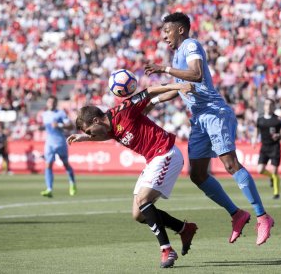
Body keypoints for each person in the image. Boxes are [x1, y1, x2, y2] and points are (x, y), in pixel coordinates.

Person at [145, 12, 274, 246]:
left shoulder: (191, 45)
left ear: (180, 30)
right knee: (197, 174)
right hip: (198, 119)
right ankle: (237, 214)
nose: (164, 36)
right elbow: (180, 87)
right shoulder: (177, 57)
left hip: (215, 113)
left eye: (167, 31)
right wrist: (152, 102)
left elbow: (196, 74)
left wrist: (163, 69)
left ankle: (262, 216)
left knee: (230, 164)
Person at [67, 83, 198, 268]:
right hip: (153, 159)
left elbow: (151, 90)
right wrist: (86, 138)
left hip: (165, 152)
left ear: (96, 121)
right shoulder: (109, 127)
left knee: (144, 199)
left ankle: (166, 250)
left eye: (89, 131)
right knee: (138, 214)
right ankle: (184, 229)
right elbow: (108, 135)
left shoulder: (123, 110)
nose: (91, 135)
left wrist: (180, 86)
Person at [40, 96, 77, 198]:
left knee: (65, 164)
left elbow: (71, 126)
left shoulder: (61, 113)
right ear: (47, 103)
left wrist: (60, 125)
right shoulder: (44, 114)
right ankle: (49, 189)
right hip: (49, 143)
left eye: (53, 102)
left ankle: (72, 183)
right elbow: (47, 127)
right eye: (49, 101)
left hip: (60, 142)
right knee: (48, 165)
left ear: (56, 103)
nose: (51, 103)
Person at [253, 98, 281, 199]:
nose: (268, 106)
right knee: (260, 170)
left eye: (270, 105)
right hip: (264, 147)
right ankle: (271, 177)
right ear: (264, 106)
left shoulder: (278, 119)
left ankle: (276, 193)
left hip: (275, 147)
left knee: (275, 171)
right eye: (266, 104)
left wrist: (279, 135)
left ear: (273, 107)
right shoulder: (260, 119)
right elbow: (256, 129)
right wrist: (254, 140)